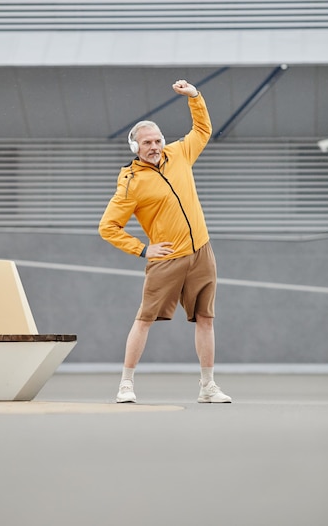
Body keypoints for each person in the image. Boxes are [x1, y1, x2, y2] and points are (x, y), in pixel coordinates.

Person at [98, 79, 231, 404]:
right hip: (166, 259)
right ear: (136, 148)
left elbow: (202, 129)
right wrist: (144, 249)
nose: (154, 146)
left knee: (206, 319)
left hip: (201, 251)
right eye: (147, 142)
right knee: (144, 319)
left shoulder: (180, 153)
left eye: (157, 139)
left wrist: (194, 97)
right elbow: (108, 227)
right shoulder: (131, 183)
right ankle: (126, 384)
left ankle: (207, 386)